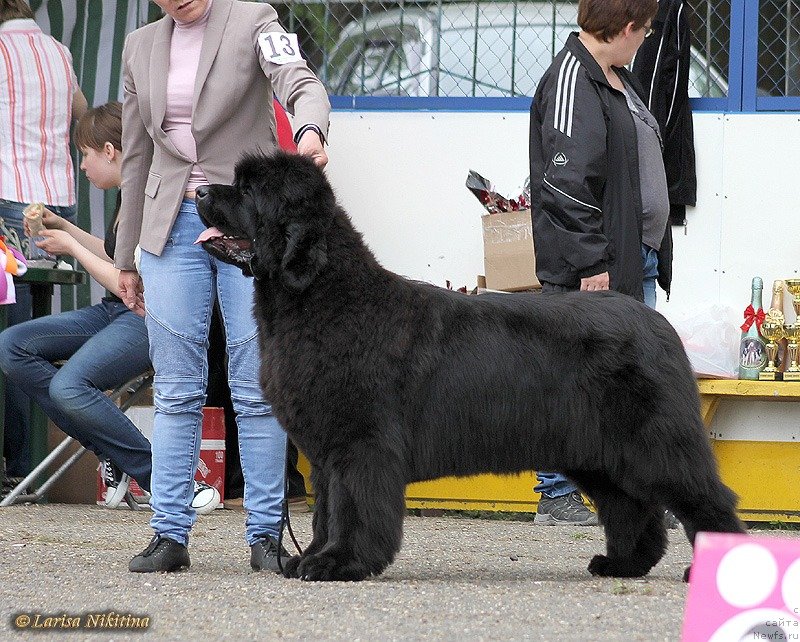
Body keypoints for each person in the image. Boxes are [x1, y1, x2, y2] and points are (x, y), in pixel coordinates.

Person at [115, 0, 330, 573]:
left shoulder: (254, 19)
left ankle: (265, 536)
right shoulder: (139, 46)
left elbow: (298, 79)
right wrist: (125, 256)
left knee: (256, 385)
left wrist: (309, 129)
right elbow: (135, 157)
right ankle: (168, 534)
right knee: (176, 388)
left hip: (245, 221)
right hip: (169, 227)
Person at [0, 102, 220, 514]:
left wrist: (70, 247)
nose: (82, 166)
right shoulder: (127, 193)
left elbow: (127, 281)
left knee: (70, 386)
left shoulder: (151, 195)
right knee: (12, 345)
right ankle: (112, 451)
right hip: (114, 311)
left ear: (109, 150)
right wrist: (64, 227)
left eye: (85, 154)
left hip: (147, 316)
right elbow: (115, 254)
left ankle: (166, 480)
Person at [529, 0, 671, 525]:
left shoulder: (616, 79)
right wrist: (592, 262)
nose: (647, 39)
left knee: (632, 384)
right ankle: (556, 494)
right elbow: (566, 184)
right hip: (594, 269)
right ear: (627, 27)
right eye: (646, 30)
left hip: (632, 260)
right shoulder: (573, 78)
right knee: (567, 382)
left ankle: (638, 496)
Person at [0, 0, 88, 481]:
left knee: (11, 333)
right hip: (57, 200)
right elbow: (81, 115)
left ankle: (17, 461)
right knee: (35, 330)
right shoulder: (58, 50)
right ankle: (31, 461)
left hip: (9, 194)